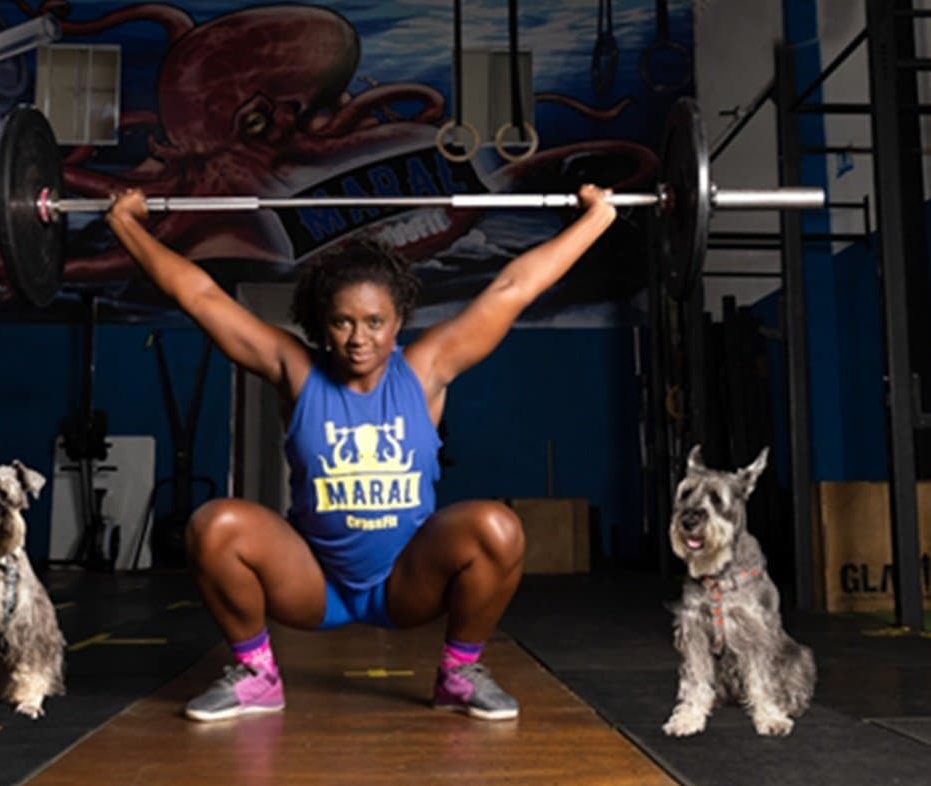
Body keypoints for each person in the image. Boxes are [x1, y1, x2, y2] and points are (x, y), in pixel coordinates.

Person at [106, 185, 617, 722]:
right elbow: (201, 297)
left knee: (497, 528)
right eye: (342, 321)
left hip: (406, 583)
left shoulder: (426, 370)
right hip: (312, 583)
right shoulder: (296, 371)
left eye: (374, 322)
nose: (358, 338)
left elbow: (513, 288)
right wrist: (127, 227)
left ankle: (458, 674)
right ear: (321, 325)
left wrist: (597, 219)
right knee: (214, 526)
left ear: (398, 322)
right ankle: (257, 675)